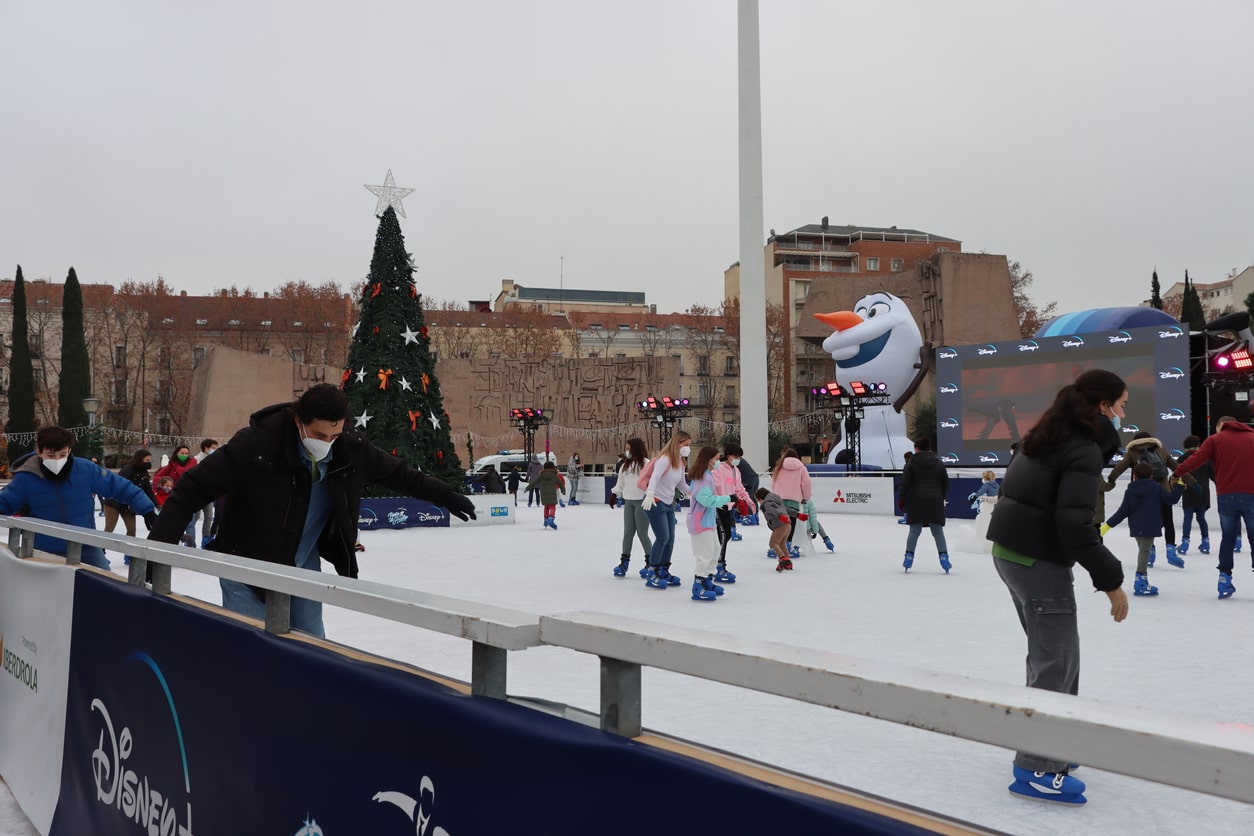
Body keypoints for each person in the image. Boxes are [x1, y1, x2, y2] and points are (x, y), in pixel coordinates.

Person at [147, 384, 476, 637]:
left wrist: (446, 496)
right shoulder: (256, 446)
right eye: (319, 435)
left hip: (301, 567)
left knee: (311, 649)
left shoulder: (349, 449)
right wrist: (155, 555)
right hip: (244, 567)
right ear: (298, 422)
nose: (328, 442)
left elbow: (400, 474)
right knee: (249, 654)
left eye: (335, 434)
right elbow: (191, 489)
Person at [986, 369, 1129, 805]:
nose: (1125, 414)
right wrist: (1112, 581)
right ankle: (1036, 768)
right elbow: (1074, 525)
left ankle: (1053, 744)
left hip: (1012, 554)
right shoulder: (1082, 448)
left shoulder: (1050, 434)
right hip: (1037, 560)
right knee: (1057, 663)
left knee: (1053, 658)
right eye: (1122, 405)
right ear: (1103, 406)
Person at [0, 426, 157, 571]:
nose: (57, 460)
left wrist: (147, 510)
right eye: (51, 455)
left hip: (86, 546)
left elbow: (121, 487)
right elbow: (5, 502)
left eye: (62, 454)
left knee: (106, 587)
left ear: (69, 450)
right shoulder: (26, 478)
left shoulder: (85, 469)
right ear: (40, 452)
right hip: (45, 551)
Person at [1172, 415, 1254, 599]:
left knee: (1228, 538)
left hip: (1226, 496)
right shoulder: (1252, 437)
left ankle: (1224, 577)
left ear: (1220, 427)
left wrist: (1178, 471)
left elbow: (1196, 459)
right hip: (1251, 495)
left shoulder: (1215, 440)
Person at [1104, 430, 1190, 568]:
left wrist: (1111, 479)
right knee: (1168, 521)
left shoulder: (1133, 452)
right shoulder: (1161, 451)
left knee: (1146, 522)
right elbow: (1178, 468)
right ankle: (1170, 550)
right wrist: (1191, 481)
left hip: (1142, 494)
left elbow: (1119, 467)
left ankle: (1150, 551)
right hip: (1163, 491)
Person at [1102, 462, 1185, 597]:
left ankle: (1141, 580)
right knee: (1144, 551)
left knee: (1143, 550)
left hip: (1136, 526)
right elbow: (1171, 499)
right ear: (1151, 476)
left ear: (1134, 476)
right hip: (1150, 525)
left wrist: (1107, 526)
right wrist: (1180, 486)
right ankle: (1140, 580)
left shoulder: (1130, 491)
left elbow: (1123, 511)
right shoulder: (1156, 488)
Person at [641, 430, 693, 588]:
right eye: (686, 445)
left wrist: (693, 493)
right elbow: (655, 477)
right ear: (677, 443)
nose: (688, 448)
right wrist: (650, 493)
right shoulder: (664, 459)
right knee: (663, 537)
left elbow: (681, 484)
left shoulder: (681, 462)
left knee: (670, 539)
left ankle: (663, 570)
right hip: (655, 502)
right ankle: (652, 572)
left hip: (669, 503)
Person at [686, 445, 734, 601]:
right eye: (716, 458)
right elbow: (705, 500)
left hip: (708, 521)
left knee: (714, 551)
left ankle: (707, 580)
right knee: (704, 554)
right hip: (700, 523)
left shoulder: (708, 475)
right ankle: (698, 586)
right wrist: (727, 499)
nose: (719, 461)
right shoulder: (701, 478)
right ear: (708, 459)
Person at [899, 437, 951, 573]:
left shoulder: (911, 463)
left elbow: (905, 483)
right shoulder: (939, 462)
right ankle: (944, 557)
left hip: (917, 501)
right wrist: (941, 496)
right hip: (935, 501)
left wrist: (902, 499)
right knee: (938, 531)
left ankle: (908, 557)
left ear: (916, 448)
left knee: (914, 531)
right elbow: (945, 482)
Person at [610, 437, 653, 577]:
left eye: (629, 448)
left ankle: (651, 563)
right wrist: (615, 494)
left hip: (642, 501)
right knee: (628, 532)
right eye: (626, 448)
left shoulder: (647, 464)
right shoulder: (625, 465)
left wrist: (649, 496)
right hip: (628, 502)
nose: (627, 451)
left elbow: (652, 482)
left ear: (636, 449)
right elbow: (620, 482)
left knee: (642, 532)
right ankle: (624, 563)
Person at [711, 443, 755, 580]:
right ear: (728, 456)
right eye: (736, 456)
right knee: (723, 536)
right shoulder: (718, 469)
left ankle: (716, 564)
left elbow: (739, 488)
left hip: (728, 508)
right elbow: (713, 487)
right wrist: (719, 501)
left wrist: (749, 501)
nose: (738, 459)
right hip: (718, 507)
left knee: (726, 536)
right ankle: (718, 566)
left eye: (739, 457)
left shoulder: (736, 471)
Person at [103, 448, 157, 538]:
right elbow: (120, 485)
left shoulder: (144, 473)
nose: (149, 462)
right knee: (109, 529)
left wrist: (156, 503)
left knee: (131, 530)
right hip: (114, 503)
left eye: (150, 460)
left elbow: (148, 490)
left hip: (129, 505)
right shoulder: (128, 469)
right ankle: (101, 548)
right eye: (147, 460)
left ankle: (128, 551)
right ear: (140, 459)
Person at [770, 447, 811, 559]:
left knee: (779, 522)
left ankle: (776, 544)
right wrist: (805, 497)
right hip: (794, 499)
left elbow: (773, 481)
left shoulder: (779, 466)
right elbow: (806, 484)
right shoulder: (801, 468)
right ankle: (787, 544)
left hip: (779, 499)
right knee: (790, 524)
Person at [1175, 435, 1213, 557]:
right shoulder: (1206, 459)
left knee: (1188, 518)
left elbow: (1176, 476)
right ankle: (1206, 542)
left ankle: (1185, 543)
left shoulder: (1181, 459)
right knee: (1201, 518)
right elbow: (1214, 476)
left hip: (1188, 492)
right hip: (1203, 492)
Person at [154, 443, 198, 546]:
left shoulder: (192, 461)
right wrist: (168, 483)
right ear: (177, 453)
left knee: (190, 524)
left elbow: (184, 474)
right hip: (175, 498)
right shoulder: (172, 464)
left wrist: (175, 465)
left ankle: (191, 547)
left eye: (187, 453)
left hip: (190, 497)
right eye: (182, 453)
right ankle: (175, 544)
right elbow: (157, 477)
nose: (184, 455)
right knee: (175, 523)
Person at [754, 487, 793, 571]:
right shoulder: (776, 501)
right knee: (782, 544)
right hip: (788, 524)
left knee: (773, 543)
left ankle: (782, 559)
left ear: (761, 498)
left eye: (758, 500)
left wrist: (780, 516)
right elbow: (785, 510)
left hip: (780, 524)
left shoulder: (767, 503)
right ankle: (788, 563)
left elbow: (771, 510)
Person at [189, 438, 219, 547]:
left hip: (209, 493)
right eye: (213, 448)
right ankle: (190, 537)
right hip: (198, 493)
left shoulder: (215, 460)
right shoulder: (196, 460)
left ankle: (206, 538)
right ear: (206, 448)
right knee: (196, 516)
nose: (215, 450)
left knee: (209, 516)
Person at [969, 470, 1000, 554]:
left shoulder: (986, 485)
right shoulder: (997, 485)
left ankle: (980, 540)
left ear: (985, 478)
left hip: (987, 505)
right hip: (994, 506)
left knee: (982, 522)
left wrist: (974, 497)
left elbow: (980, 492)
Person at [536, 461, 565, 529]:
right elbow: (561, 482)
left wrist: (528, 488)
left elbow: (535, 482)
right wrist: (563, 489)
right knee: (552, 506)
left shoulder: (542, 474)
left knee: (546, 506)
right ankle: (551, 519)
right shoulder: (555, 474)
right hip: (552, 490)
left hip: (544, 492)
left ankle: (546, 520)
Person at [896, 451, 913, 524]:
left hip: (909, 488)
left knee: (907, 502)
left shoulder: (907, 466)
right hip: (915, 488)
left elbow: (905, 479)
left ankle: (907, 518)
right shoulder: (917, 464)